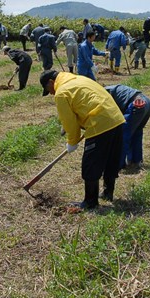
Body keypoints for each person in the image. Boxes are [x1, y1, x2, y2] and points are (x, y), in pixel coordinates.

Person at [40, 70, 125, 209]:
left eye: (48, 90)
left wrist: (72, 142)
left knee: (90, 164)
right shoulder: (80, 79)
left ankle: (90, 202)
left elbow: (70, 124)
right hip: (116, 118)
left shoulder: (61, 92)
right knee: (110, 159)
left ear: (51, 82)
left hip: (99, 123)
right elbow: (84, 105)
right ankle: (108, 193)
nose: (50, 93)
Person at [106, 84, 150, 172]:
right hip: (146, 103)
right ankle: (135, 161)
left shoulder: (103, 93)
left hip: (136, 105)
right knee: (136, 132)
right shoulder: (111, 90)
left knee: (122, 136)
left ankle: (117, 165)